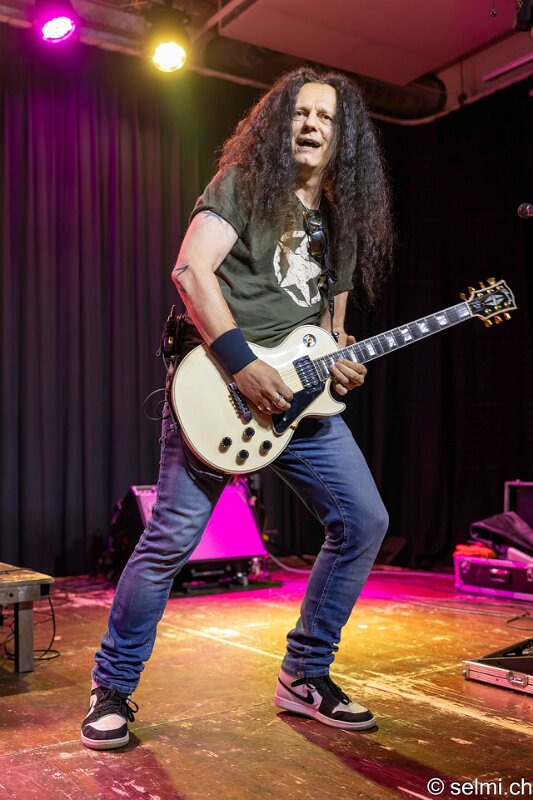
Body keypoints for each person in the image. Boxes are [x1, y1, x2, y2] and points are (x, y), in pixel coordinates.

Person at [81, 66, 394, 750]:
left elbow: (333, 330)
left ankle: (304, 675)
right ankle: (113, 687)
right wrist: (243, 365)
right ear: (280, 124)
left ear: (343, 138)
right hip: (220, 388)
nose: (311, 125)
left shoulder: (339, 225)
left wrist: (346, 363)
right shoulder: (243, 186)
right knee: (170, 540)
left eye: (326, 117)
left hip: (300, 403)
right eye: (300, 113)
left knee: (364, 521)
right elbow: (190, 270)